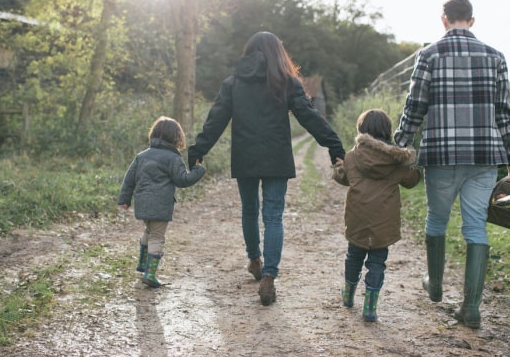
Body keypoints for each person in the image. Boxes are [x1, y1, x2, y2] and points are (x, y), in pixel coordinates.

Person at [187, 31, 346, 306]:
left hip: (245, 156)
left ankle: (254, 261)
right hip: (276, 158)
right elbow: (310, 118)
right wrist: (334, 147)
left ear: (248, 52)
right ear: (278, 53)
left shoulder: (233, 83)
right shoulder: (286, 83)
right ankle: (269, 277)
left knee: (250, 210)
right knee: (273, 216)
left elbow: (216, 120)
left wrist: (198, 150)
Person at [393, 0, 510, 329]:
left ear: (444, 19)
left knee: (437, 220)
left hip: (442, 154)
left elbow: (414, 106)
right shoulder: (496, 57)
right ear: (473, 20)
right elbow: (503, 115)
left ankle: (434, 286)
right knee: (475, 226)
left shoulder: (429, 54)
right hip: (484, 156)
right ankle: (471, 307)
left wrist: (400, 144)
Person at [332, 109, 421, 322]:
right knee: (377, 262)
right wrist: (415, 167)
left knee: (353, 255)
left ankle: (348, 295)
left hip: (357, 218)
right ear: (387, 131)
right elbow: (410, 181)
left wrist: (337, 167)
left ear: (362, 130)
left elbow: (343, 178)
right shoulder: (396, 160)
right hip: (384, 222)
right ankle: (370, 307)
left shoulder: (353, 156)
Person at [118, 116, 205, 288]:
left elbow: (129, 180)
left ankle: (143, 265)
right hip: (161, 205)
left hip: (142, 203)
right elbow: (182, 180)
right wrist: (198, 170)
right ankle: (150, 274)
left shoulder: (141, 156)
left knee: (149, 230)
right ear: (176, 137)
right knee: (157, 236)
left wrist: (124, 199)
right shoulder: (173, 158)